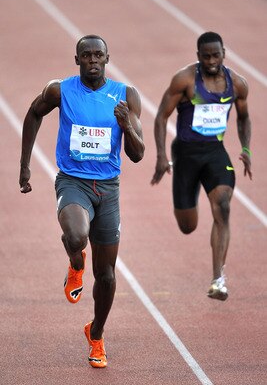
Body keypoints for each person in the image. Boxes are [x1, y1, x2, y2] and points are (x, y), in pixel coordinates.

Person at [19, 34, 145, 367]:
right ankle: (76, 263)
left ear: (107, 58)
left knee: (106, 276)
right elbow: (33, 114)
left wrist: (127, 126)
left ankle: (97, 333)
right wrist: (25, 166)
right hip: (73, 182)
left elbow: (138, 154)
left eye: (98, 55)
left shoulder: (126, 96)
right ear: (76, 60)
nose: (92, 60)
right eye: (86, 55)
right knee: (75, 236)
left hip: (109, 189)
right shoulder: (60, 90)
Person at [151, 31, 252, 301]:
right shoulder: (185, 80)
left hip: (214, 152)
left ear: (223, 54)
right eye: (205, 56)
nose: (211, 61)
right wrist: (161, 155)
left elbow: (243, 118)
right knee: (188, 226)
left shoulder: (237, 84)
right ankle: (188, 201)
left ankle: (218, 279)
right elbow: (161, 117)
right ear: (198, 56)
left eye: (215, 55)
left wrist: (245, 148)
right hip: (185, 154)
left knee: (224, 204)